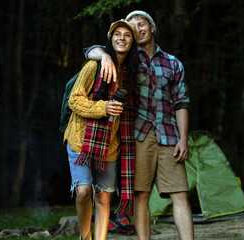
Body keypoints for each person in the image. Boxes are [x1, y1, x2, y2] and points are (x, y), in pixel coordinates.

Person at [84, 10, 194, 240]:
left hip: (169, 136)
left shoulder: (173, 63)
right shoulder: (125, 60)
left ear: (151, 28)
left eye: (141, 24)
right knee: (140, 196)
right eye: (132, 27)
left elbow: (181, 102)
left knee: (180, 194)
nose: (137, 29)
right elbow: (91, 50)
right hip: (137, 137)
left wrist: (183, 139)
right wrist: (103, 56)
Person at [63, 19, 140, 240]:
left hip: (110, 143)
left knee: (105, 198)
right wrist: (104, 107)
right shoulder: (94, 66)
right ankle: (85, 236)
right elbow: (74, 101)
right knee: (84, 191)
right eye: (117, 34)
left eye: (127, 35)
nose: (122, 38)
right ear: (110, 39)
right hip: (80, 139)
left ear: (133, 41)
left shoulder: (132, 73)